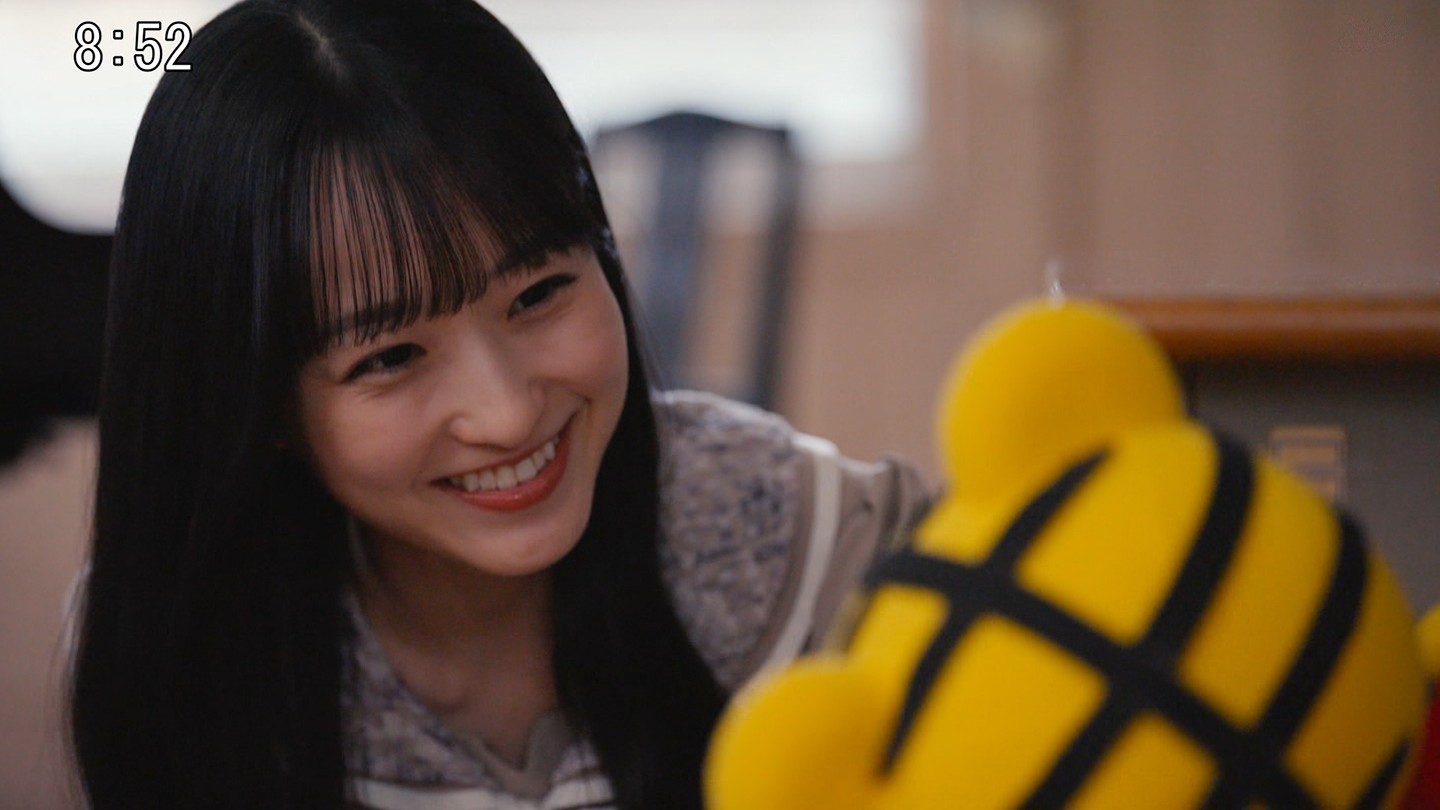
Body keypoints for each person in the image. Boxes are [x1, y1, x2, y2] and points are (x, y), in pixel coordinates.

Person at [67, 1, 931, 808]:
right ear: (257, 400)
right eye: (390, 356)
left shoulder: (810, 542)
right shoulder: (180, 658)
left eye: (538, 293)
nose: (508, 414)